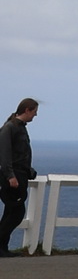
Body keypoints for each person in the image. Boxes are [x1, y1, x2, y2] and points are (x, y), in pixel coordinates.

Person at [0, 99, 37, 256]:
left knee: (10, 212)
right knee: (16, 213)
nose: (35, 115)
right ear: (27, 110)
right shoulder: (10, 128)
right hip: (12, 177)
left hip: (19, 175)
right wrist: (10, 176)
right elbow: (5, 154)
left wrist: (28, 170)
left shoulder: (18, 128)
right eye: (34, 111)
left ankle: (2, 248)